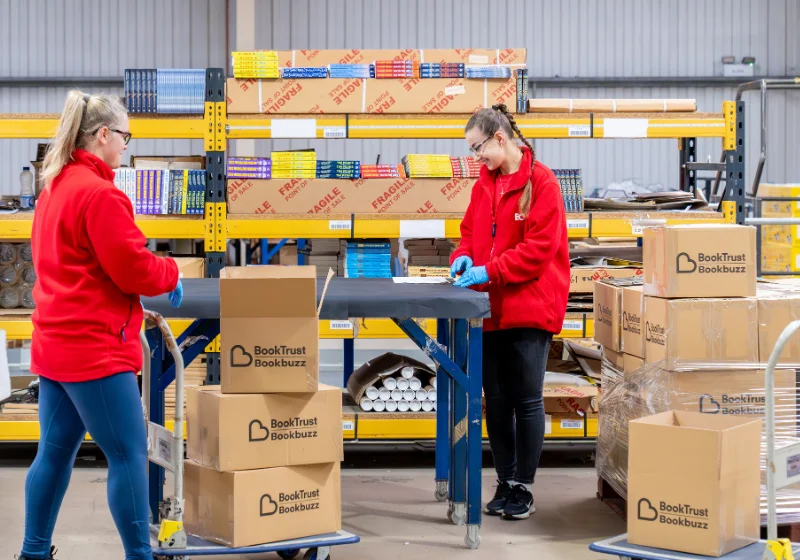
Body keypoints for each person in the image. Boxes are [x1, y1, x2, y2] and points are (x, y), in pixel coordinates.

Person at [18, 91, 183, 560]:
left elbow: (78, 266)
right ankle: (139, 555)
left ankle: (32, 553)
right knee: (128, 455)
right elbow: (132, 268)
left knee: (53, 454)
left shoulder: (54, 187)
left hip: (56, 349)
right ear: (104, 135)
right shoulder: (100, 194)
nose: (126, 145)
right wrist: (169, 273)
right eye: (125, 136)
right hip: (96, 352)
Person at [450, 104, 570, 520]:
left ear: (500, 138)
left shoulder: (544, 183)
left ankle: (524, 486)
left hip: (529, 308)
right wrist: (464, 256)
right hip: (489, 306)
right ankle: (504, 480)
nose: (476, 158)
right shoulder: (484, 184)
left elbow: (537, 253)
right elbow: (469, 232)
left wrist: (490, 269)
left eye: (478, 148)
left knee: (526, 400)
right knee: (495, 401)